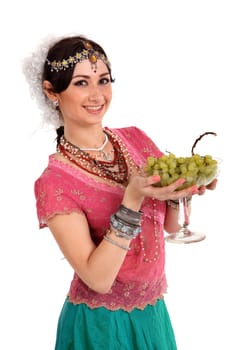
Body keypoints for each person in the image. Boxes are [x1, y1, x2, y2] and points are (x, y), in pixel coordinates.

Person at [22, 34, 217, 350]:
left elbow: (167, 226)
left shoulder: (136, 140)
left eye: (104, 80)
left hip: (153, 314)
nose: (97, 94)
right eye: (81, 83)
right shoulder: (54, 182)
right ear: (51, 91)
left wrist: (183, 192)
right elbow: (98, 279)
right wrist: (132, 198)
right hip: (101, 327)